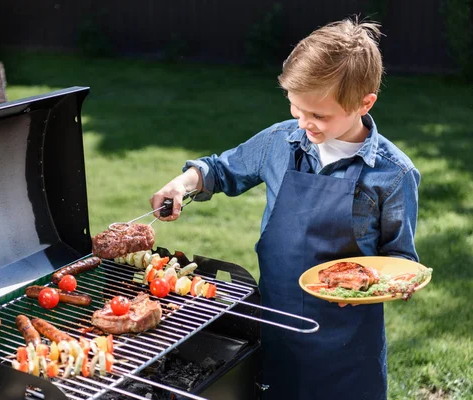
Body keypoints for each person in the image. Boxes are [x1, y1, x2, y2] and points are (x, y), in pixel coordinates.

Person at [150, 18, 420, 400]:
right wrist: (184, 183)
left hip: (347, 345)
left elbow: (400, 260)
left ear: (365, 102)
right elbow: (223, 169)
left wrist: (363, 288)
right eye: (296, 107)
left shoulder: (393, 175)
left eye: (319, 115)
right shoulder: (281, 141)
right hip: (275, 323)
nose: (304, 122)